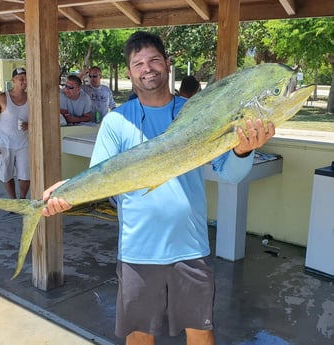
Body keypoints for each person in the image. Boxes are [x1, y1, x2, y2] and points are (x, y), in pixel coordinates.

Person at [42, 31, 275, 345]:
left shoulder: (198, 112)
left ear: (167, 63)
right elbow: (99, 178)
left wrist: (243, 150)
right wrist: (68, 191)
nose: (147, 68)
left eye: (153, 59)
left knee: (201, 333)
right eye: (138, 63)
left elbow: (230, 174)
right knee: (138, 336)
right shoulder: (116, 121)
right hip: (138, 251)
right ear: (129, 72)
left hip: (190, 247)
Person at [0, 67, 30, 199]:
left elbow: (39, 117)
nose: (24, 81)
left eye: (25, 78)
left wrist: (30, 124)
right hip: (5, 143)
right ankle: (13, 199)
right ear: (13, 80)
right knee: (6, 173)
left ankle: (22, 199)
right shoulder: (2, 98)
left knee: (25, 174)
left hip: (24, 143)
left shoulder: (32, 98)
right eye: (20, 79)